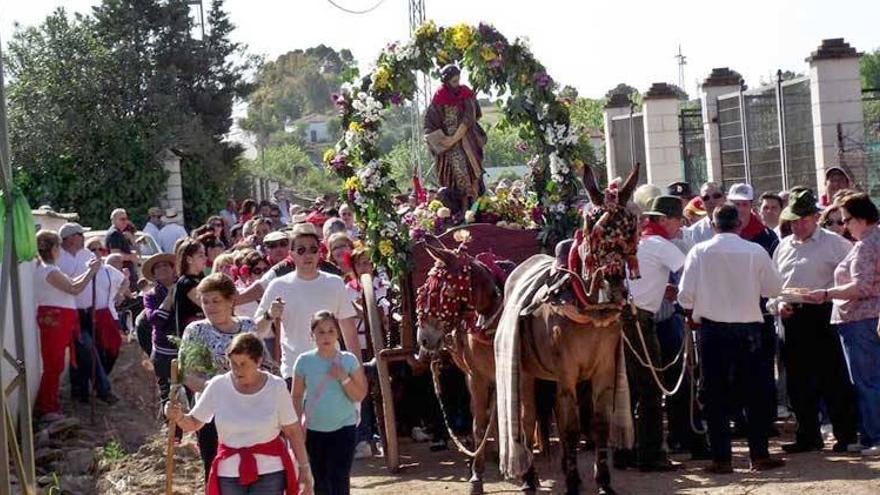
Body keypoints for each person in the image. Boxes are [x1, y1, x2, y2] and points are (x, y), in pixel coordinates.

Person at [678, 204, 785, 473]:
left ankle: (721, 459)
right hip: (749, 329)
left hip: (713, 331)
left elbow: (684, 296)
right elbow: (774, 288)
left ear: (713, 226)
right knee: (755, 394)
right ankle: (758, 455)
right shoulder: (755, 251)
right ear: (739, 225)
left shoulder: (699, 252)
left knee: (714, 395)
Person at [166, 333, 313, 495]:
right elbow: (193, 422)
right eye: (233, 364)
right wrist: (178, 416)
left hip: (270, 471)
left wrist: (304, 469)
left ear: (258, 361)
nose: (237, 370)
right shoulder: (218, 385)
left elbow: (292, 431)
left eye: (243, 364)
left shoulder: (276, 387)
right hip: (228, 472)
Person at [770, 189, 859, 454]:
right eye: (793, 221)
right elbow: (773, 286)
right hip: (792, 316)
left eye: (802, 220)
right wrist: (777, 305)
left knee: (832, 377)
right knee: (797, 381)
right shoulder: (783, 246)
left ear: (814, 217)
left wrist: (831, 295)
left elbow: (854, 278)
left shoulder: (835, 243)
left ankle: (845, 433)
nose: (797, 226)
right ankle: (807, 435)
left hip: (824, 313)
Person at [805, 193, 880, 456]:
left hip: (861, 319)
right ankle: (871, 434)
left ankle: (875, 436)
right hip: (867, 318)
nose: (845, 226)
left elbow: (861, 287)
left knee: (866, 381)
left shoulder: (867, 245)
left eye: (847, 220)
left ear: (861, 219)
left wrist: (826, 293)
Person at [621, 196, 686, 471]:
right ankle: (651, 455)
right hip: (639, 321)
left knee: (629, 389)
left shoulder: (637, 244)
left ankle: (626, 451)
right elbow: (690, 272)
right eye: (676, 220)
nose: (680, 226)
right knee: (650, 388)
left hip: (623, 317)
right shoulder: (660, 245)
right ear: (663, 220)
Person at [178, 273, 264, 479]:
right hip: (211, 411)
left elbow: (260, 364)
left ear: (231, 300)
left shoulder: (248, 327)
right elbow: (186, 373)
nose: (210, 306)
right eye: (205, 301)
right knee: (215, 467)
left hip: (248, 407)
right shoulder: (196, 330)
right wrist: (216, 389)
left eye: (216, 300)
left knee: (251, 466)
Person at [255, 223, 360, 385]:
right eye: (301, 250)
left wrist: (357, 372)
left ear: (320, 253)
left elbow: (349, 330)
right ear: (292, 254)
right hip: (295, 372)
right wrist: (269, 315)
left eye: (313, 249)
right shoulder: (278, 285)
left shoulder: (335, 283)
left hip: (332, 370)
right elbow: (257, 332)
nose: (308, 255)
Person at [292, 311, 367, 495]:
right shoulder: (303, 361)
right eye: (321, 332)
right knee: (321, 480)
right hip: (314, 430)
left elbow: (359, 395)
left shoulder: (349, 360)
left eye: (331, 331)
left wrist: (344, 378)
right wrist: (296, 426)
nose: (326, 336)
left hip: (344, 427)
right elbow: (296, 395)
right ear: (312, 335)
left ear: (338, 334)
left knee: (340, 478)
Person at [34, 230, 101, 421]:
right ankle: (47, 407)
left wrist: (89, 270)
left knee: (55, 365)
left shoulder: (49, 269)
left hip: (58, 319)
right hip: (54, 320)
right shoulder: (49, 270)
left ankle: (49, 404)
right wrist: (91, 272)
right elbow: (74, 288)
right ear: (54, 248)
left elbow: (72, 283)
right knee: (53, 365)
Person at [424, 64, 487, 215]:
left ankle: (475, 208)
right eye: (453, 81)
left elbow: (469, 118)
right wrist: (441, 139)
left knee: (473, 172)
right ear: (446, 81)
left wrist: (454, 138)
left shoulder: (465, 93)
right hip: (447, 145)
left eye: (458, 80)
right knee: (453, 177)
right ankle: (460, 210)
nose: (457, 84)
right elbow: (430, 123)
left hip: (466, 139)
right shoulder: (439, 97)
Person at [141, 253, 179, 407]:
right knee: (167, 395)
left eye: (165, 265)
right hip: (163, 352)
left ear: (172, 268)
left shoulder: (185, 287)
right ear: (154, 274)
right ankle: (171, 428)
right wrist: (169, 299)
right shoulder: (151, 295)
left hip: (186, 347)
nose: (162, 269)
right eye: (158, 267)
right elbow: (155, 320)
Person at [174, 238, 207, 337]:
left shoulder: (201, 278)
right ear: (189, 259)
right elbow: (206, 303)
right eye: (200, 255)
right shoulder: (186, 283)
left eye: (204, 254)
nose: (205, 258)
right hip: (193, 340)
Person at [105, 208, 140, 286]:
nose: (125, 222)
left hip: (125, 275)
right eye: (122, 219)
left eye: (126, 219)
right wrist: (130, 257)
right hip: (121, 276)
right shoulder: (114, 234)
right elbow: (115, 255)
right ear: (114, 220)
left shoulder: (120, 234)